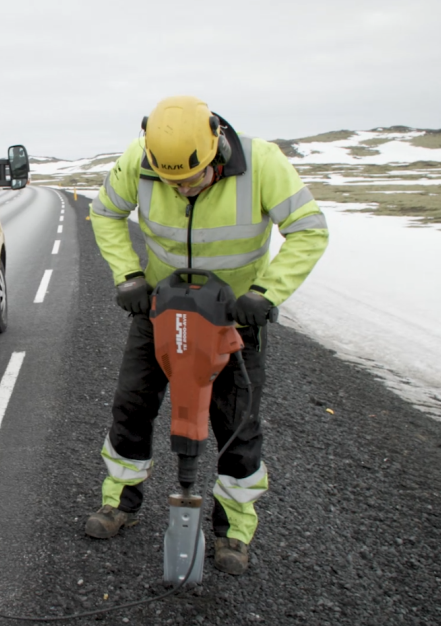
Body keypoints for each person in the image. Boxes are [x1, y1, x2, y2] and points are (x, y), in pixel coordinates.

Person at [85, 95, 329, 575]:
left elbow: (309, 229)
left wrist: (266, 293)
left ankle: (233, 530)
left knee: (237, 426)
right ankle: (120, 503)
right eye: (172, 183)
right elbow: (105, 213)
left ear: (216, 143)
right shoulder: (140, 161)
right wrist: (129, 277)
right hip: (158, 310)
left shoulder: (263, 164)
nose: (184, 191)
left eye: (193, 180)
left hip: (234, 322)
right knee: (131, 407)